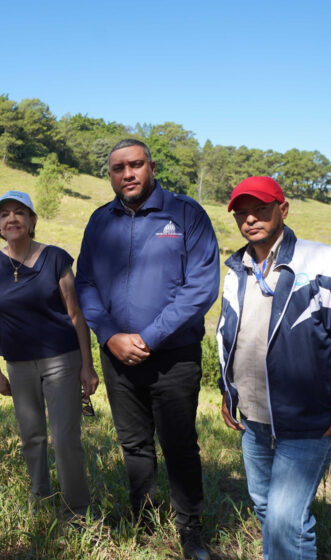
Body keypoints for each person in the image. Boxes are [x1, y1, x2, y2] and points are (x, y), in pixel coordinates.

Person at [217, 176, 331, 560]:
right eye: (242, 213)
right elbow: (229, 333)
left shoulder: (323, 262)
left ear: (283, 209)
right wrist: (229, 390)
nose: (251, 220)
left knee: (285, 522)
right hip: (254, 419)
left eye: (261, 209)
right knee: (265, 509)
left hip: (309, 419)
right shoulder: (236, 268)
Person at [75, 138, 219, 559]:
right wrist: (108, 335)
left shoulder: (185, 214)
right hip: (116, 356)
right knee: (134, 443)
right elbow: (85, 283)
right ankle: (142, 515)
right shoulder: (100, 221)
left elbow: (201, 287)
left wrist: (149, 337)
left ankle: (190, 527)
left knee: (179, 443)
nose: (128, 174)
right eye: (118, 168)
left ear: (151, 167)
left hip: (173, 355)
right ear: (110, 175)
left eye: (135, 165)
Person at [0, 190, 99, 519]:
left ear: (32, 221)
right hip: (18, 364)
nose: (12, 219)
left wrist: (87, 367)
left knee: (64, 438)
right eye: (4, 215)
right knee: (31, 436)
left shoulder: (56, 258)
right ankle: (40, 499)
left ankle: (76, 510)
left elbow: (76, 315)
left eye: (19, 212)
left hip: (62, 359)